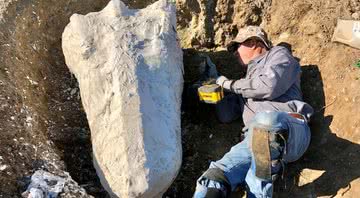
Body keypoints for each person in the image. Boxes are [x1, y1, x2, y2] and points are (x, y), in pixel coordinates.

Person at [193, 26, 314, 198]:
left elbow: (269, 86)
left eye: (237, 47)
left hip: (292, 131)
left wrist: (228, 84)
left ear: (254, 43)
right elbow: (226, 115)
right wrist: (214, 90)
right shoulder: (246, 83)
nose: (235, 53)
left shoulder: (279, 55)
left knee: (265, 122)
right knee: (214, 176)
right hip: (254, 140)